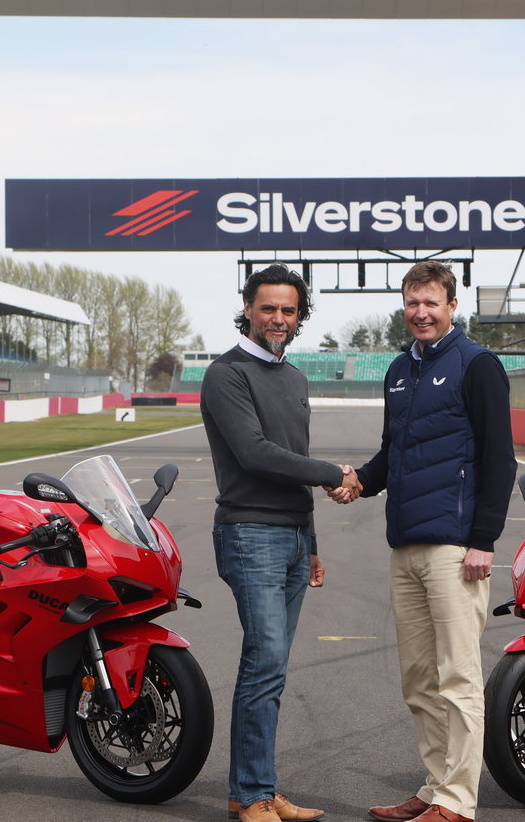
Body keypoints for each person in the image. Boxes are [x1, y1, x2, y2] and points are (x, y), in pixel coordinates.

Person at [339, 261, 517, 822]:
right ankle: (435, 786)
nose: (420, 312)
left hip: (457, 548)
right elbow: (393, 453)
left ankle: (459, 804)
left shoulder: (478, 365)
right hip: (406, 545)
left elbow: (499, 459)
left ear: (451, 306)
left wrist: (484, 538)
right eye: (412, 302)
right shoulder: (398, 370)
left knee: (458, 676)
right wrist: (358, 483)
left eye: (431, 302)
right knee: (419, 679)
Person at [201, 263, 360, 822]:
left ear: (300, 316)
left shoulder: (294, 378)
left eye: (288, 310)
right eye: (267, 307)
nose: (278, 318)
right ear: (247, 308)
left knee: (274, 668)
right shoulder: (226, 374)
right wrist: (332, 473)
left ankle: (261, 789)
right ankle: (249, 796)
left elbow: (291, 464)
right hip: (250, 534)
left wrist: (311, 540)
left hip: (291, 537)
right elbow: (256, 453)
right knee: (263, 662)